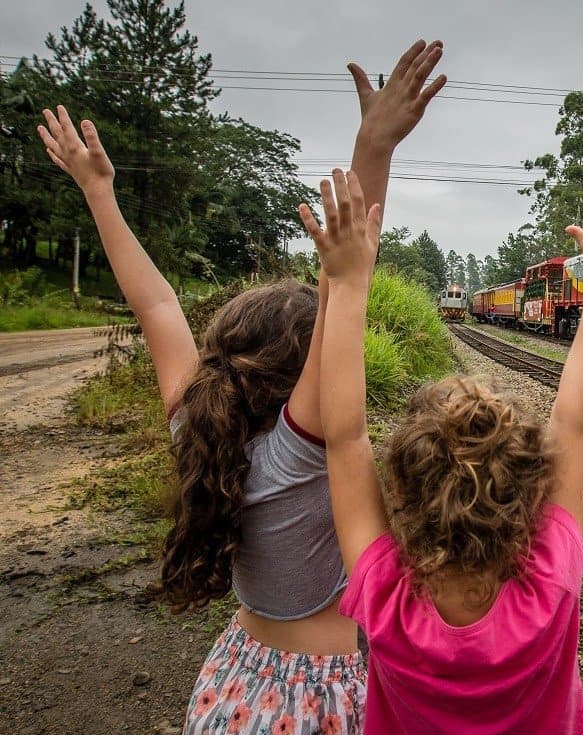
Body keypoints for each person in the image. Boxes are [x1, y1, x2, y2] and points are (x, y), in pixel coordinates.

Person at [36, 38, 447, 734]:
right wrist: (372, 149)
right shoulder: (299, 448)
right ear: (299, 374)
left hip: (235, 683)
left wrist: (98, 191)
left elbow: (159, 307)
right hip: (320, 698)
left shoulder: (196, 425)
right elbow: (344, 280)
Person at [304, 173, 583, 734]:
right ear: (530, 494)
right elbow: (570, 422)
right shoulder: (549, 582)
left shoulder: (386, 599)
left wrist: (349, 283)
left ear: (403, 495)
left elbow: (345, 435)